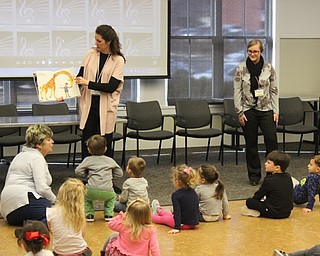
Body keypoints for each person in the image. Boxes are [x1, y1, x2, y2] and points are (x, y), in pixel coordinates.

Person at [75, 24, 125, 159]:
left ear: (108, 42)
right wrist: (66, 92)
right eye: (95, 40)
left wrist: (88, 83)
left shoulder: (118, 60)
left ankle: (106, 175)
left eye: (99, 41)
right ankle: (86, 175)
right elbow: (80, 78)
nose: (96, 43)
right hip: (89, 103)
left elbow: (111, 87)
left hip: (106, 104)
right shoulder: (90, 54)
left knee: (104, 141)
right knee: (88, 140)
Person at [234, 39, 279, 186]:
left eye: (256, 51)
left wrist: (275, 110)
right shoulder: (241, 68)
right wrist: (240, 112)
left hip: (266, 109)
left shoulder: (269, 68)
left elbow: (274, 91)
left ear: (261, 52)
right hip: (248, 109)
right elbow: (237, 91)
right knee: (251, 143)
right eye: (250, 51)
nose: (252, 54)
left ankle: (272, 173)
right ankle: (254, 176)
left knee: (271, 140)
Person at [0, 124, 56, 226]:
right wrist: (56, 201)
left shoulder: (19, 156)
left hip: (7, 211)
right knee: (58, 213)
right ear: (39, 144)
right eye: (48, 139)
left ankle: (29, 226)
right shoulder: (37, 158)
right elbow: (42, 188)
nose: (52, 142)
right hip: (24, 201)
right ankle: (29, 231)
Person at [75, 134, 123, 222]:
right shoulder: (110, 160)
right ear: (105, 148)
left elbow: (78, 171)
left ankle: (89, 215)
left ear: (89, 149)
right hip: (108, 190)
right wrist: (110, 177)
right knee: (112, 198)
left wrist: (87, 177)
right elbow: (120, 173)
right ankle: (108, 214)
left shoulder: (87, 160)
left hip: (91, 190)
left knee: (86, 198)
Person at [241, 150, 293, 219]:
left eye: (268, 163)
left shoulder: (269, 180)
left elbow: (258, 195)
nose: (265, 164)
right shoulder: (288, 177)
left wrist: (253, 202)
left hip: (273, 212)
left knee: (249, 201)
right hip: (287, 213)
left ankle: (258, 212)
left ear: (277, 167)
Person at [46, 178, 92, 256]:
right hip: (80, 251)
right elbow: (83, 234)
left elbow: (52, 231)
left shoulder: (50, 212)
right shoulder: (80, 213)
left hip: (59, 252)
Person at [151, 164, 199, 234]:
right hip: (193, 224)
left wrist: (177, 227)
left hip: (182, 224)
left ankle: (151, 216)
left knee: (164, 219)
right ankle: (159, 210)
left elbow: (177, 212)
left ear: (177, 181)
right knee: (170, 215)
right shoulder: (193, 191)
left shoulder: (176, 195)